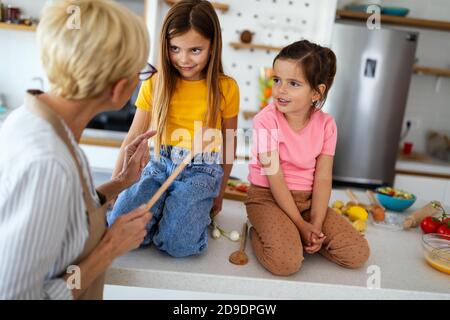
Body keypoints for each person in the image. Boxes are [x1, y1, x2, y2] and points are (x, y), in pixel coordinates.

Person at [0, 0, 154, 299]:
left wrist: (120, 183)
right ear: (119, 88)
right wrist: (110, 249)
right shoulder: (47, 162)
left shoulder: (34, 119)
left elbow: (64, 216)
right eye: (141, 72)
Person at [107, 0, 240, 258]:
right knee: (117, 228)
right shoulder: (155, 83)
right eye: (175, 48)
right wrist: (115, 187)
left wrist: (219, 193)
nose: (183, 59)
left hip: (202, 171)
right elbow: (132, 137)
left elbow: (230, 144)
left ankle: (178, 213)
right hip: (159, 164)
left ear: (213, 46)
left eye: (195, 50)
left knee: (178, 245)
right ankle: (167, 209)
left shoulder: (226, 88)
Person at [245, 40, 370, 276]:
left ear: (316, 92)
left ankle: (301, 237)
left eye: (293, 83)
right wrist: (301, 225)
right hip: (268, 198)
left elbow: (323, 177)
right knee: (286, 264)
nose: (280, 90)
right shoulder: (265, 121)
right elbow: (275, 177)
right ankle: (261, 232)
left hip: (308, 202)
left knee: (357, 254)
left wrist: (315, 223)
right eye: (277, 80)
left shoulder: (327, 125)